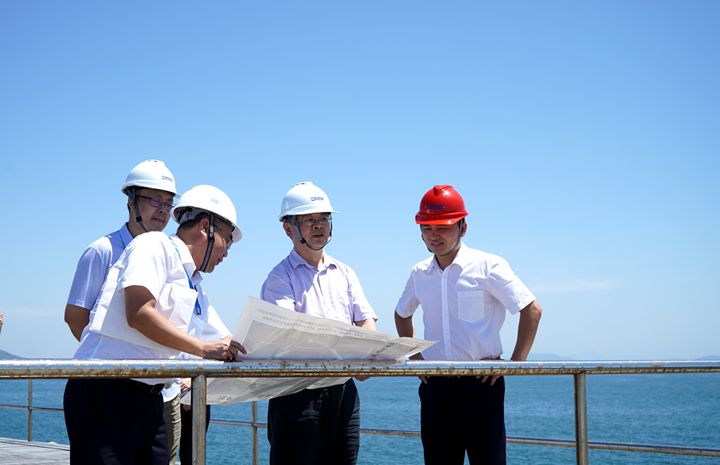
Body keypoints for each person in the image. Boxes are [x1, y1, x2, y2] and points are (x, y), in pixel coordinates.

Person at [63, 184, 245, 465]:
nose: (227, 253)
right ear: (205, 228)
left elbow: (228, 340)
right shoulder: (153, 245)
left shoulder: (194, 284)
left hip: (151, 396)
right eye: (228, 241)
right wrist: (203, 349)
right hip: (105, 391)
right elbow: (139, 312)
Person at [394, 184, 542, 465]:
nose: (433, 235)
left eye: (443, 227)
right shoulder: (419, 272)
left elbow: (531, 309)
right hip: (435, 386)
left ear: (463, 227)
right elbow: (402, 314)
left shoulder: (488, 265)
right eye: (426, 228)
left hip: (481, 386)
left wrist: (515, 364)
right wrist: (415, 358)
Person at [63, 159, 185, 464]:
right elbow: (76, 316)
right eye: (154, 200)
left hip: (156, 391)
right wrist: (112, 357)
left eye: (168, 203)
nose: (162, 210)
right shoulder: (103, 250)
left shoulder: (168, 253)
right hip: (108, 390)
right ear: (131, 201)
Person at [261, 181, 378, 465]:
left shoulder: (345, 272)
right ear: (288, 229)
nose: (318, 226)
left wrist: (366, 355)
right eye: (308, 220)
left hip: (343, 391)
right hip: (297, 394)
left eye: (323, 219)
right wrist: (350, 352)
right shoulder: (279, 278)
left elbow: (366, 321)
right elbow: (290, 334)